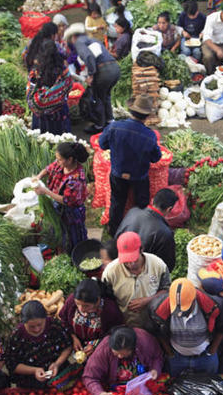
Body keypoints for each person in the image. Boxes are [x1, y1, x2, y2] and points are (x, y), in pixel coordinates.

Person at [98, 95, 161, 234]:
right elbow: (156, 158)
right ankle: (140, 229)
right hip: (139, 176)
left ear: (131, 111)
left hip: (118, 173)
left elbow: (102, 144)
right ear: (146, 116)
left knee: (117, 202)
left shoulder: (114, 127)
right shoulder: (150, 135)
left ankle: (113, 230)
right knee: (141, 203)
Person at [149, 278, 223, 375]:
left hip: (205, 356)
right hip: (177, 358)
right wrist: (170, 353)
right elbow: (157, 331)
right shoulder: (158, 308)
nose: (181, 313)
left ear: (194, 299)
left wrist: (212, 351)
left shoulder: (214, 305)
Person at [101, 232, 171, 327]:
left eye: (134, 260)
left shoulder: (158, 265)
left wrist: (148, 300)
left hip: (152, 323)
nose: (131, 264)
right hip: (124, 324)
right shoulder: (110, 272)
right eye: (126, 261)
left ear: (141, 249)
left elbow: (167, 290)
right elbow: (107, 300)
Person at [32, 141, 89, 252]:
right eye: (56, 158)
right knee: (58, 229)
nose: (57, 161)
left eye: (59, 159)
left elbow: (66, 200)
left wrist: (46, 192)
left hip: (71, 211)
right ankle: (61, 247)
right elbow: (48, 169)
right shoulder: (61, 164)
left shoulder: (76, 179)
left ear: (70, 159)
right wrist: (38, 177)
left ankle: (75, 253)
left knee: (73, 235)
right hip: (58, 205)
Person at [82, 326, 162, 395]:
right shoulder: (104, 349)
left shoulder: (144, 340)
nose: (120, 357)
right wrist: (100, 393)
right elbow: (90, 376)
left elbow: (157, 356)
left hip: (142, 388)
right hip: (116, 392)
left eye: (123, 354)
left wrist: (155, 369)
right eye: (116, 354)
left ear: (133, 348)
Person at [6, 301, 72, 389]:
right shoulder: (17, 336)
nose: (36, 329)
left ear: (45, 318)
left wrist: (57, 364)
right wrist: (34, 370)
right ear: (23, 322)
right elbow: (12, 365)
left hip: (59, 376)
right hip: (30, 384)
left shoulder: (55, 326)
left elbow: (68, 346)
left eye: (40, 325)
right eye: (31, 327)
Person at [116, 188, 178, 274]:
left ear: (153, 201)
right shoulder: (165, 233)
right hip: (139, 273)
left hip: (118, 260)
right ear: (169, 209)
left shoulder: (133, 211)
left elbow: (117, 235)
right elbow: (166, 266)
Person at [73, 25, 120, 134]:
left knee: (97, 97)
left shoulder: (79, 42)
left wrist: (90, 75)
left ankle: (99, 125)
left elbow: (89, 57)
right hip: (115, 68)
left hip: (104, 71)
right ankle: (110, 121)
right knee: (106, 96)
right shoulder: (93, 40)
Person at [60, 279, 124, 356]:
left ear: (98, 301)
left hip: (100, 349)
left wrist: (95, 345)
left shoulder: (110, 310)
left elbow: (117, 332)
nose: (81, 309)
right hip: (76, 344)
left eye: (86, 306)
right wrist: (73, 337)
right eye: (78, 304)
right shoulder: (71, 301)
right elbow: (63, 319)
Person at [27, 40, 71, 134]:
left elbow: (30, 92)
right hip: (58, 115)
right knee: (58, 140)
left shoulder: (36, 71)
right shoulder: (63, 71)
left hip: (40, 117)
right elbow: (68, 87)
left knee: (42, 142)